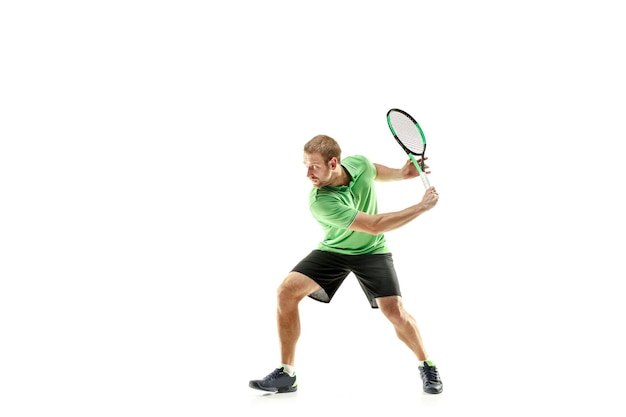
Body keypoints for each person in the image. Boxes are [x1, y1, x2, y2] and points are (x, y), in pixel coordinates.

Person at [249, 134, 443, 395]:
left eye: (313, 166)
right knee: (286, 291)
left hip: (371, 252)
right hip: (335, 251)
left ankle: (426, 364)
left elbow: (372, 171)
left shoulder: (359, 163)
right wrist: (420, 207)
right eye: (305, 165)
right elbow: (373, 226)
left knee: (395, 311)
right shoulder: (321, 201)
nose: (308, 173)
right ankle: (287, 374)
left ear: (333, 163)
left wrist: (401, 173)